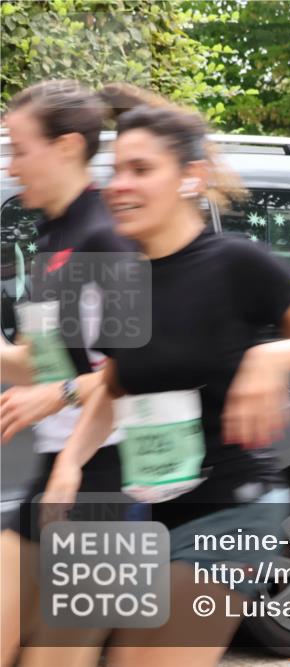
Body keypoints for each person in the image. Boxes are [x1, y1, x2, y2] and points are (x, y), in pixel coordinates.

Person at [39, 97, 290, 666]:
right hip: (155, 509)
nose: (120, 185)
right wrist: (70, 464)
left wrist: (270, 358)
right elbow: (117, 385)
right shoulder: (124, 279)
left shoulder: (235, 264)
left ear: (190, 177)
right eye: (117, 169)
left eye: (141, 170)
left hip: (235, 508)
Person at [0, 80, 137, 667]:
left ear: (66, 147)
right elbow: (38, 358)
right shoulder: (52, 234)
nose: (11, 164)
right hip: (55, 473)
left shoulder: (110, 239)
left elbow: (137, 373)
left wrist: (54, 398)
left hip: (108, 477)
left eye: (19, 148)